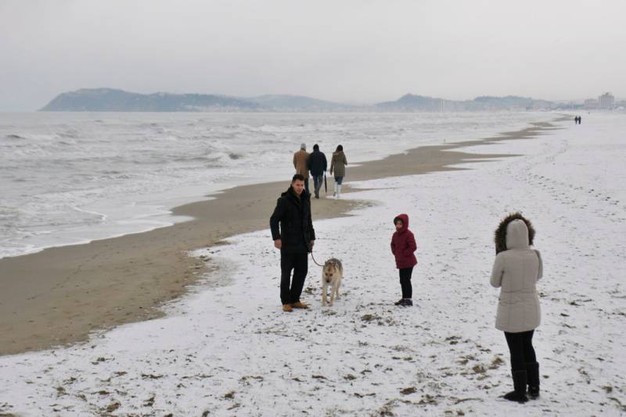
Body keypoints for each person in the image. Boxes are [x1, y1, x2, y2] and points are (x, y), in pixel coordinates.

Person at [490, 213, 543, 403]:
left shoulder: (503, 257)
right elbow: (538, 277)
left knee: (516, 350)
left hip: (511, 311)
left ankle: (519, 390)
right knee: (528, 346)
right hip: (531, 308)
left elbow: (494, 282)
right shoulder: (535, 255)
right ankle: (534, 386)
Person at [270, 174, 316, 312]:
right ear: (292, 184)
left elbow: (308, 220)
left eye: (302, 185)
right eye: (298, 185)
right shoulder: (284, 201)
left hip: (302, 242)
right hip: (288, 244)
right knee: (286, 273)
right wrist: (276, 238)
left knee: (302, 272)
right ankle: (286, 302)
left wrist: (312, 237)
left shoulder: (306, 199)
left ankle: (295, 299)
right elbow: (273, 220)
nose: (300, 188)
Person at [390, 213, 418, 306]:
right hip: (401, 261)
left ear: (404, 224)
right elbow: (392, 244)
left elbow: (413, 246)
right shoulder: (395, 235)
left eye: (400, 224)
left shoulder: (409, 234)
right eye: (397, 224)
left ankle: (408, 299)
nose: (398, 225)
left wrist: (405, 253)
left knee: (406, 280)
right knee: (402, 280)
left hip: (409, 262)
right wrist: (395, 252)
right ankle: (404, 298)